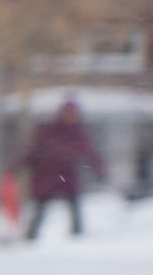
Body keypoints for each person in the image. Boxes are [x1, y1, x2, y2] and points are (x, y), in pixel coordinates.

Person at [15, 97, 107, 240]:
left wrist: (99, 168)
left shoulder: (77, 132)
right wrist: (17, 166)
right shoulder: (47, 129)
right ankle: (30, 238)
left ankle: (77, 237)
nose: (71, 117)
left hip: (66, 174)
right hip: (46, 175)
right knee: (41, 208)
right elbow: (32, 150)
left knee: (74, 205)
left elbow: (88, 151)